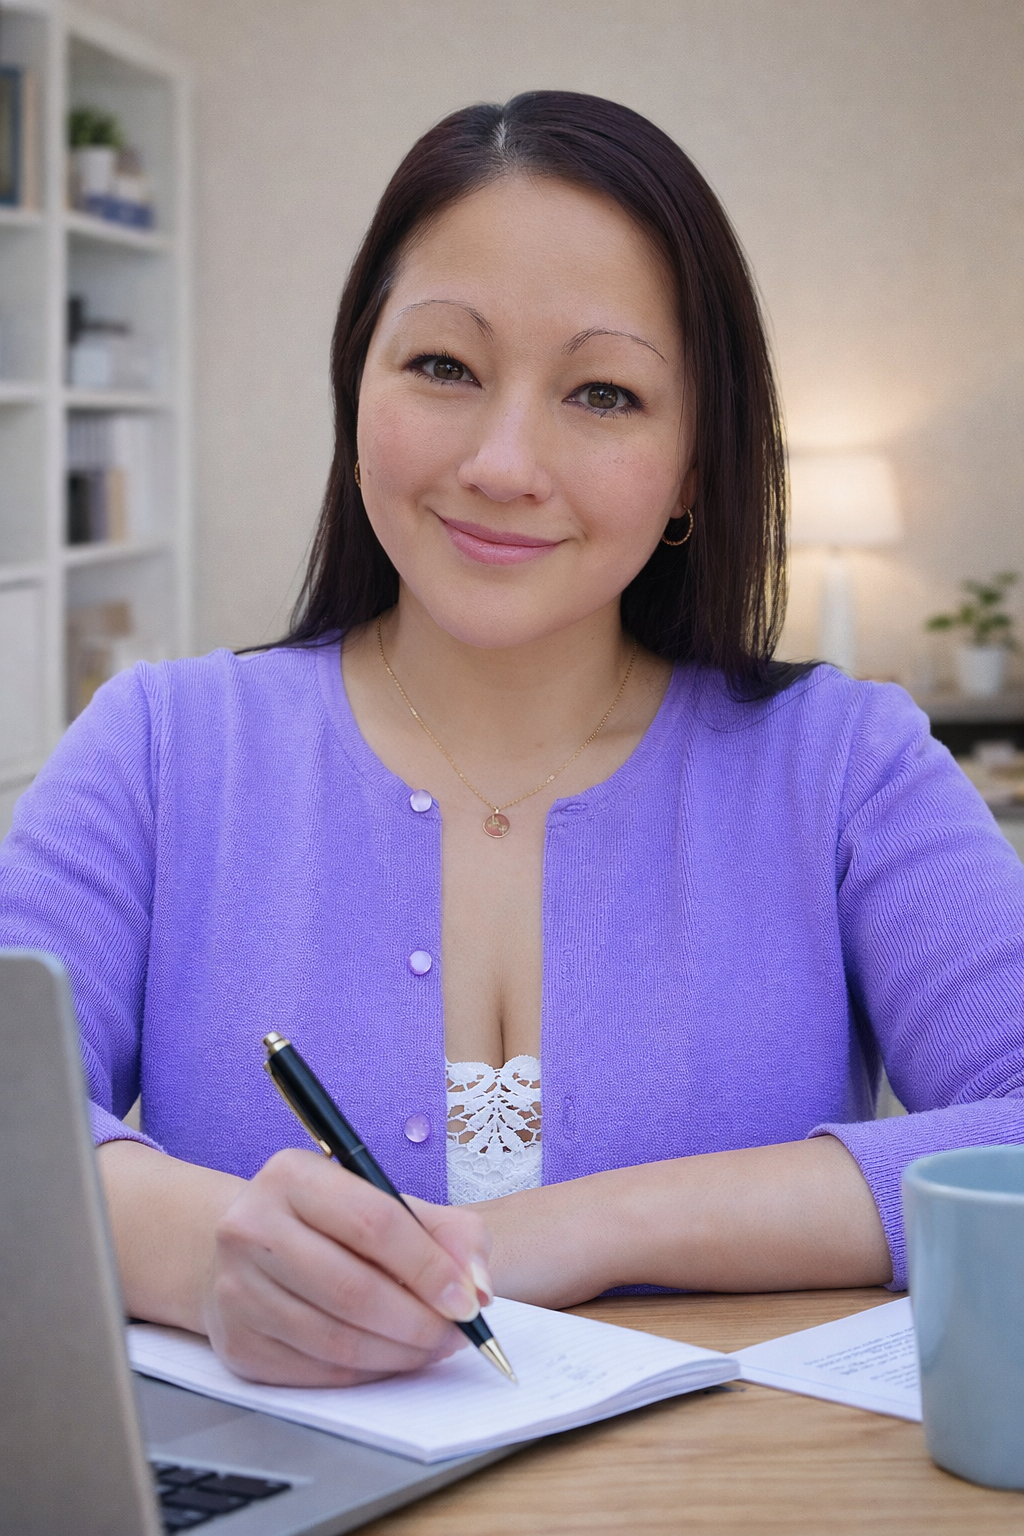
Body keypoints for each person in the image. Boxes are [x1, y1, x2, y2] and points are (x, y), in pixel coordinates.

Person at [1, 92, 1021, 1390]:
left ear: (698, 463)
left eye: (603, 391)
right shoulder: (159, 748)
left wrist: (571, 1233)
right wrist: (198, 1251)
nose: (502, 460)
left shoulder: (846, 764)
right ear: (356, 380)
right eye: (442, 366)